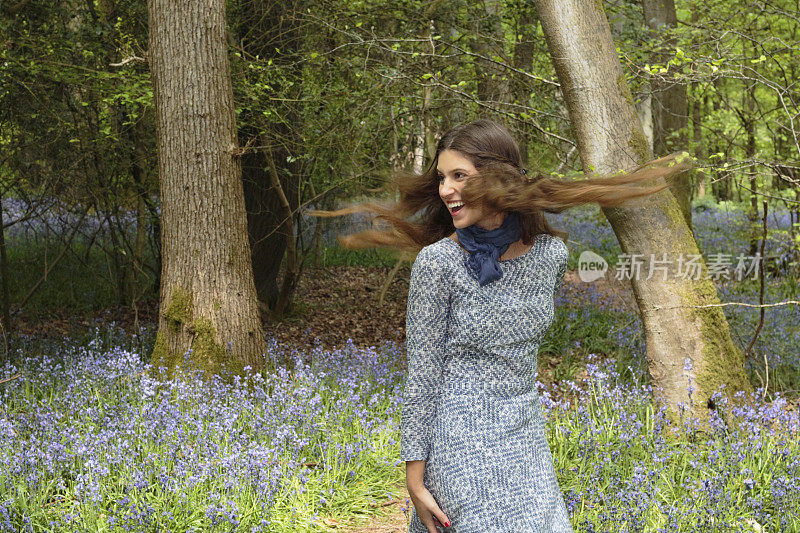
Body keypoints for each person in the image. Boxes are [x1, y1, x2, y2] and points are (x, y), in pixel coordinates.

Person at [310, 119, 689, 532]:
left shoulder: (549, 255)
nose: (445, 190)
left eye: (460, 177)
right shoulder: (437, 264)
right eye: (441, 178)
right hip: (457, 441)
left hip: (524, 435)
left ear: (497, 180)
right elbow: (422, 377)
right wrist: (415, 480)